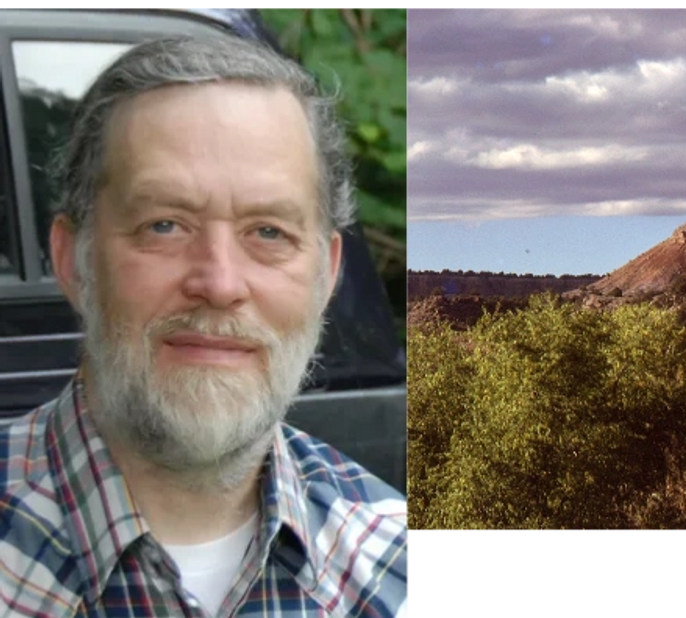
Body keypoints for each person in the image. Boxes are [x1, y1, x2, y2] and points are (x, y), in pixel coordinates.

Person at [0, 34, 410, 617]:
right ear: (73, 261)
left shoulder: (393, 566)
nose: (219, 284)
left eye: (269, 232)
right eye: (164, 225)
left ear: (327, 275)